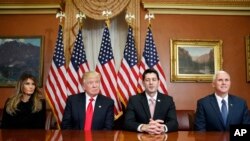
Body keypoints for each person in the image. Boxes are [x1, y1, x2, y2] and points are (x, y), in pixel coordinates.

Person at [124, 69, 178, 134]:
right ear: (143, 83)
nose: (151, 83)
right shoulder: (134, 100)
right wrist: (143, 127)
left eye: (154, 80)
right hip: (141, 137)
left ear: (159, 82)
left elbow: (174, 122)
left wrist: (162, 128)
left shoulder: (168, 100)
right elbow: (127, 122)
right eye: (147, 80)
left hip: (161, 137)